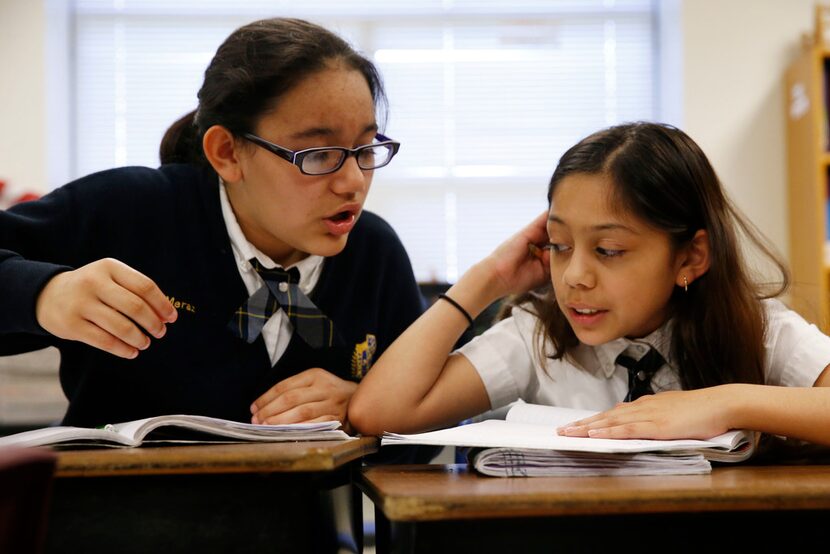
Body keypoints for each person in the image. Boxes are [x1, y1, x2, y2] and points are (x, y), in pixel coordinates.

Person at [0, 17, 424, 433]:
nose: (353, 182)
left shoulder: (374, 254)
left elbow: (437, 417)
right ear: (227, 152)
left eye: (366, 149)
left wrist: (369, 405)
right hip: (113, 500)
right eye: (317, 154)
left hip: (297, 505)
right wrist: (42, 294)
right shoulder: (127, 212)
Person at [349, 121, 830, 448]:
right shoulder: (537, 335)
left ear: (691, 256)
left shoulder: (758, 329)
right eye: (558, 245)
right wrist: (487, 279)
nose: (575, 276)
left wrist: (725, 401)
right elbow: (379, 413)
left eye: (609, 251)